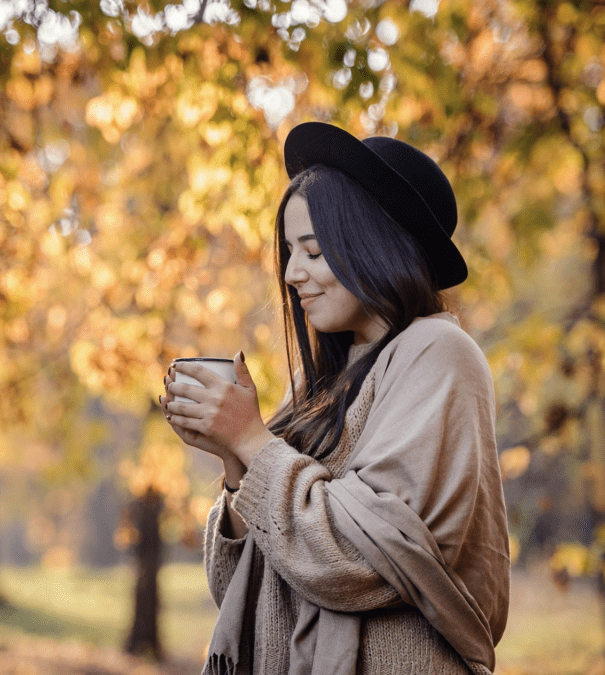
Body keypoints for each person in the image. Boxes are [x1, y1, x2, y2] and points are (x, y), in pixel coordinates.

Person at [159, 122, 510, 675]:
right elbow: (243, 592)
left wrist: (254, 440)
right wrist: (234, 462)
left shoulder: (441, 353)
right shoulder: (318, 384)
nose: (293, 274)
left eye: (315, 251)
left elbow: (360, 564)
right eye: (290, 252)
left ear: (371, 246)